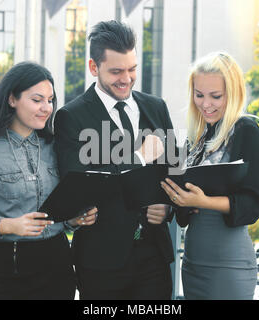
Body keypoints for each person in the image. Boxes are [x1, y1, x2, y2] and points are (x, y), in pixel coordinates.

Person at [0, 61, 97, 300]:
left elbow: (60, 210)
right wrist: (8, 225)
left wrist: (72, 220)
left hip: (58, 263)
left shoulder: (56, 147)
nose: (46, 108)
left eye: (50, 100)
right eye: (37, 99)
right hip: (8, 266)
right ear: (12, 99)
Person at [54, 20, 176, 300]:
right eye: (117, 71)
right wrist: (138, 158)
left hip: (154, 257)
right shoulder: (70, 117)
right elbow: (80, 185)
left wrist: (167, 207)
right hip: (101, 261)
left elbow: (173, 171)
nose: (127, 78)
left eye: (132, 69)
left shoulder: (157, 107)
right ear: (94, 68)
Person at [161, 52, 259, 299]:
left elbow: (257, 201)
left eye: (215, 96)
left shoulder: (246, 131)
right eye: (199, 95)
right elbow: (182, 210)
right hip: (192, 263)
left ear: (233, 94)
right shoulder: (196, 139)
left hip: (228, 265)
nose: (205, 103)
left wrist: (203, 202)